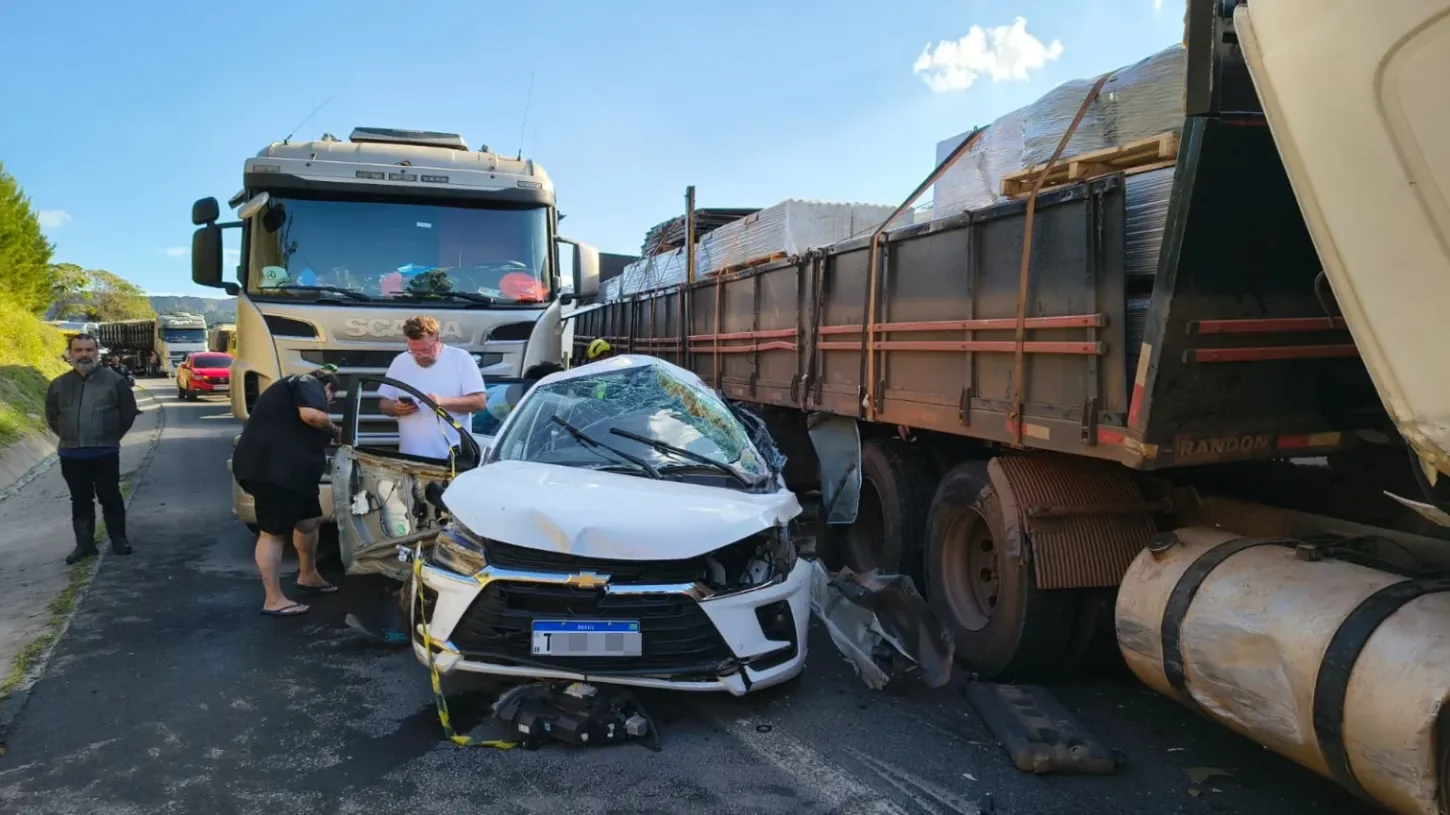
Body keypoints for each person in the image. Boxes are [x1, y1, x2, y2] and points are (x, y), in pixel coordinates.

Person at [231, 369, 342, 617]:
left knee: (309, 521)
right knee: (273, 533)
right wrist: (334, 430)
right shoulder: (307, 382)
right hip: (273, 472)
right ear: (328, 388)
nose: (328, 404)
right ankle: (273, 599)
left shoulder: (287, 392)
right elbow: (313, 416)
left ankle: (308, 574)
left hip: (291, 473)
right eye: (330, 399)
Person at [46, 334, 139, 564]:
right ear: (70, 354)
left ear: (97, 352)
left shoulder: (114, 381)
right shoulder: (59, 384)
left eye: (89, 349)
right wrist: (69, 435)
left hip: (104, 451)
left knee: (110, 496)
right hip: (71, 453)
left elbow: (128, 412)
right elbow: (52, 416)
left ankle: (119, 540)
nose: (84, 354)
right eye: (79, 350)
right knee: (80, 499)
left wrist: (110, 436)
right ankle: (84, 545)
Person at [377, 316, 487, 460]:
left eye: (425, 350)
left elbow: (479, 402)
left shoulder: (461, 359)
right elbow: (383, 403)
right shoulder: (401, 361)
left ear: (437, 339)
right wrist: (395, 408)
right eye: (414, 351)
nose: (420, 356)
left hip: (451, 458)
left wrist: (443, 402)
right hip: (409, 456)